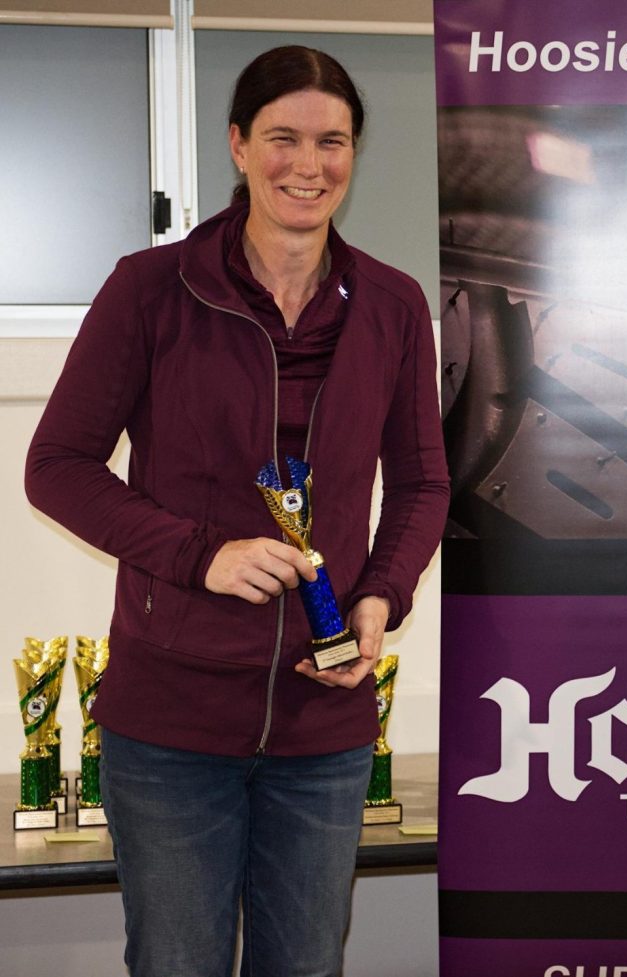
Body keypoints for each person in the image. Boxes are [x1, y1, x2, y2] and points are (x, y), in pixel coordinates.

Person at [25, 46, 449, 977]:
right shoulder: (150, 289)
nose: (309, 164)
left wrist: (382, 597)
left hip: (324, 726)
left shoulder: (393, 304)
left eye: (332, 141)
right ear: (237, 145)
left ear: (354, 152)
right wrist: (198, 554)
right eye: (283, 138)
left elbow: (422, 483)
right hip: (169, 726)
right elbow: (56, 466)